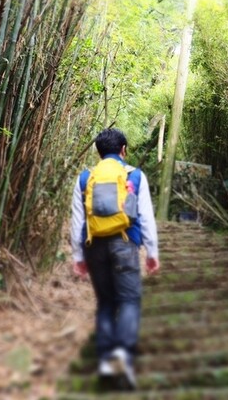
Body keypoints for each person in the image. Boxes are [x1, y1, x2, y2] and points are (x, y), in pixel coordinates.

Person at [70, 128, 160, 390]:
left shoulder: (86, 177)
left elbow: (78, 222)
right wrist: (152, 252)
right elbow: (146, 217)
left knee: (106, 302)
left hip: (93, 246)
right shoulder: (135, 176)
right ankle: (121, 359)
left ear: (99, 152)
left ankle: (107, 364)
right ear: (124, 150)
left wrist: (78, 255)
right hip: (124, 244)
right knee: (130, 300)